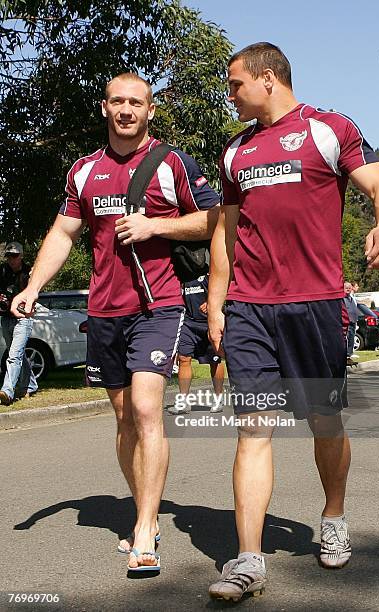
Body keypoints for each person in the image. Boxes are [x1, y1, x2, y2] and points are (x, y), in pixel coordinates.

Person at [207, 42, 379, 601]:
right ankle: (248, 560)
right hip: (250, 308)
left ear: (268, 79)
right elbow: (227, 233)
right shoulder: (234, 153)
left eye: (236, 84)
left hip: (315, 304)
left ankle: (334, 515)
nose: (231, 94)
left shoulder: (327, 128)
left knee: (324, 423)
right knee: (253, 428)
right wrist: (218, 304)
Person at [11, 72, 219, 571]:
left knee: (147, 410)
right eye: (117, 101)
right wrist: (33, 286)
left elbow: (217, 219)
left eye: (136, 102)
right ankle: (141, 505)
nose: (126, 110)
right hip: (105, 310)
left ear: (150, 111)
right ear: (105, 108)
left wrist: (156, 225)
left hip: (159, 306)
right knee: (124, 419)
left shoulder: (172, 163)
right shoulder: (84, 171)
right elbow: (63, 233)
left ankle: (146, 527)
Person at [168, 273, 225, 415]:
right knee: (183, 358)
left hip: (208, 322)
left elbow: (225, 287)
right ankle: (183, 402)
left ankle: (218, 397)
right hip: (188, 322)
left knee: (215, 361)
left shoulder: (209, 272)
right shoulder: (182, 274)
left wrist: (213, 303)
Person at [0, 242, 38, 405]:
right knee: (18, 354)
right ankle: (30, 385)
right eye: (9, 256)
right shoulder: (2, 271)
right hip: (6, 318)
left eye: (14, 256)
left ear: (21, 256)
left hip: (23, 319)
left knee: (13, 356)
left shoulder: (29, 273)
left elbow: (36, 293)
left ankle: (7, 391)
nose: (11, 260)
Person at [343, 281, 359, 361]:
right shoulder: (342, 299)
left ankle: (350, 353)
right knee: (347, 337)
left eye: (349, 288)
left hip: (353, 321)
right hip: (346, 321)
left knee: (352, 337)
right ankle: (346, 354)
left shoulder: (351, 298)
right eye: (346, 288)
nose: (348, 289)